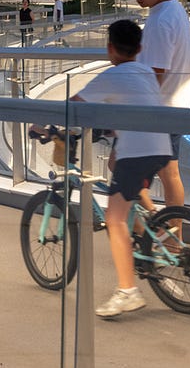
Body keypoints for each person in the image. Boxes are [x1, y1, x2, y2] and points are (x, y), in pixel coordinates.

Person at [70, 19, 172, 318]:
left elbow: (73, 105)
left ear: (109, 48)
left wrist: (43, 125)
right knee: (116, 164)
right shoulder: (146, 72)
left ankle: (127, 291)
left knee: (114, 219)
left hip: (137, 152)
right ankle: (151, 222)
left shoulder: (110, 77)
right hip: (160, 148)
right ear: (140, 49)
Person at [126, 0, 190, 209]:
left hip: (158, 111)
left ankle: (156, 226)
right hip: (176, 106)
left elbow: (155, 74)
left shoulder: (160, 21)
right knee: (170, 175)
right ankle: (172, 240)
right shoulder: (175, 10)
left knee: (119, 166)